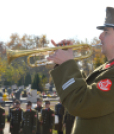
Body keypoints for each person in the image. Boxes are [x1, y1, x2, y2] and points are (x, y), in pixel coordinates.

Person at [47, 6, 114, 134]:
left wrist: (67, 64)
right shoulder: (106, 68)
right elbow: (83, 90)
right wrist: (63, 65)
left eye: (106, 32)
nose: (100, 36)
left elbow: (80, 102)